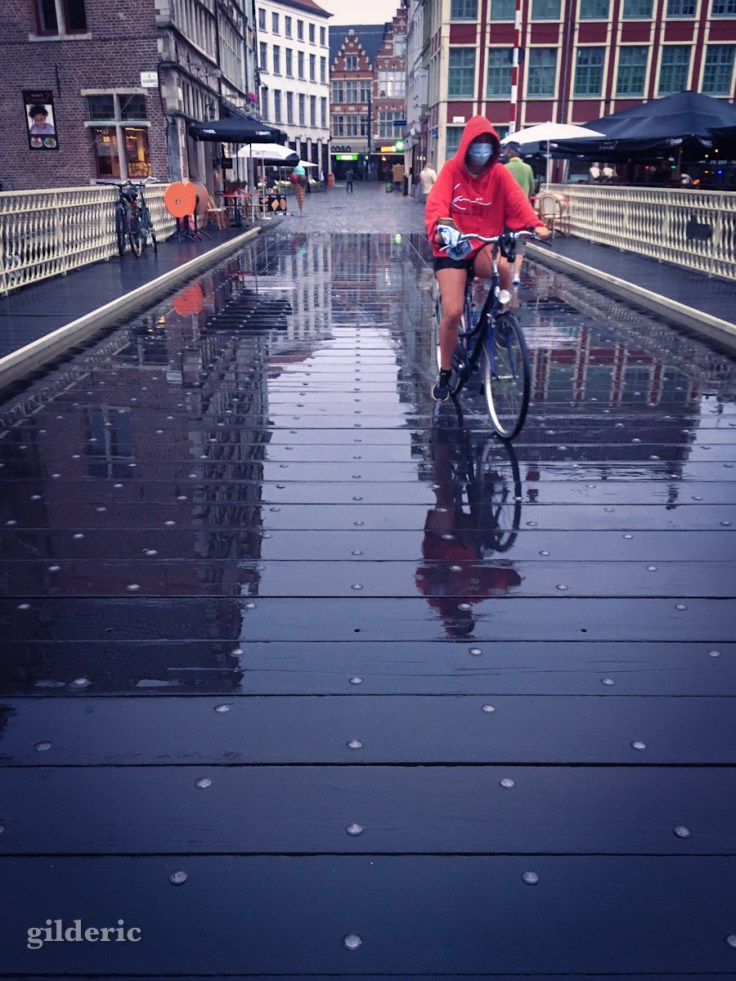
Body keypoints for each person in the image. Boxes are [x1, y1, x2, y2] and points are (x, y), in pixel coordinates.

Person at [425, 115, 549, 402]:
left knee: (503, 266)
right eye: (477, 144)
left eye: (487, 145)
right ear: (467, 145)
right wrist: (439, 231)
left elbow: (517, 201)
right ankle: (444, 372)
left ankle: (501, 315)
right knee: (453, 311)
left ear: (495, 149)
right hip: (452, 247)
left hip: (483, 242)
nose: (482, 150)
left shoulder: (500, 174)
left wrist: (534, 224)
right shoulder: (452, 170)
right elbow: (436, 205)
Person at [502, 142, 535, 286]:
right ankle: (516, 275)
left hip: (507, 213)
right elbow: (532, 187)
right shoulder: (527, 168)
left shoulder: (504, 169)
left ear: (509, 152)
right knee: (520, 244)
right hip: (522, 212)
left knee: (504, 243)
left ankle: (506, 272)